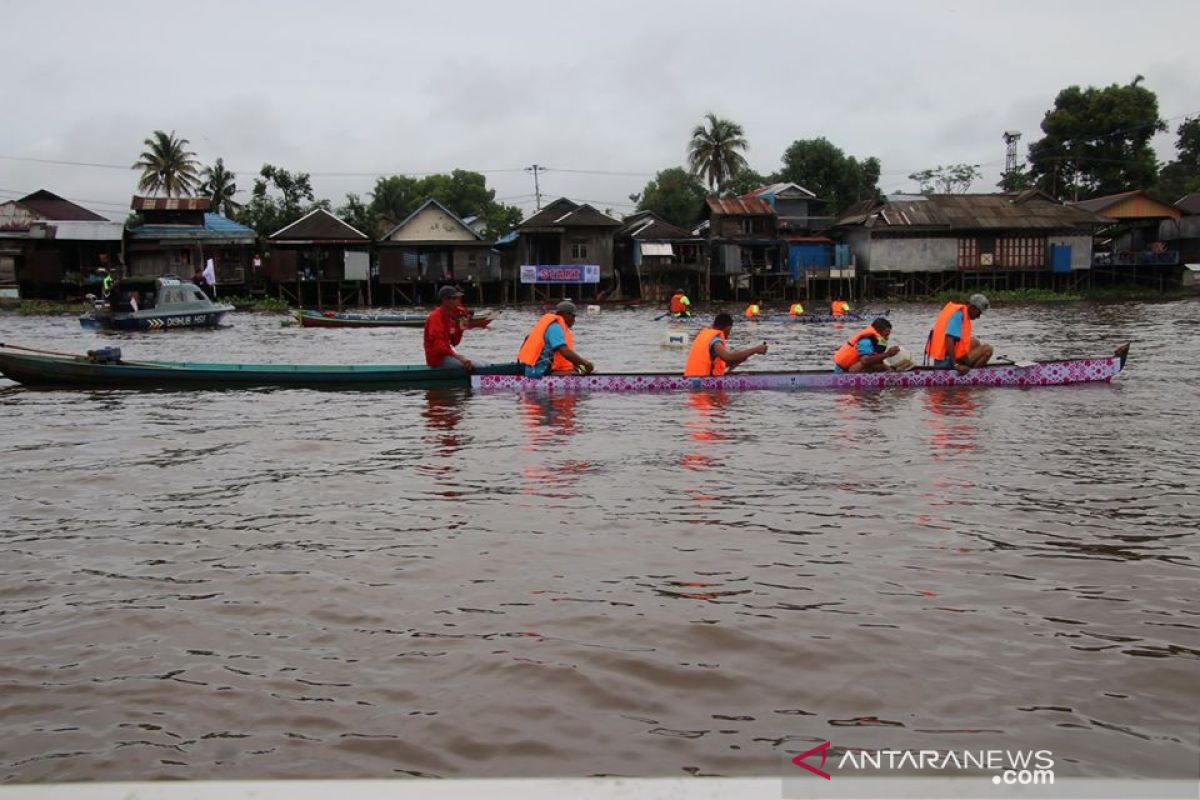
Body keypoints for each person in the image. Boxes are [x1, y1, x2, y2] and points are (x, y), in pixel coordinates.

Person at [517, 300, 594, 377]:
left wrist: (577, 364)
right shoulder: (555, 327)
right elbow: (565, 352)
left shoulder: (552, 325)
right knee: (577, 373)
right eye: (572, 315)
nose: (574, 319)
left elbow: (526, 339)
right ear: (562, 314)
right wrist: (585, 363)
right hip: (539, 371)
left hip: (533, 368)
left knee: (576, 370)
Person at [925, 293, 993, 374]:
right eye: (978, 313)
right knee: (988, 349)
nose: (978, 317)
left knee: (975, 342)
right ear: (972, 307)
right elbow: (949, 338)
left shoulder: (959, 311)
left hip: (944, 358)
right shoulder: (959, 314)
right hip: (946, 362)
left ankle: (967, 367)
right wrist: (956, 365)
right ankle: (971, 373)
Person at [684, 312, 769, 377]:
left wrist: (742, 358)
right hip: (702, 383)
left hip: (693, 378)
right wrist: (755, 349)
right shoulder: (715, 340)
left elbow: (725, 362)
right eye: (730, 330)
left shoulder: (704, 335)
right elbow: (728, 357)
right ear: (727, 328)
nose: (729, 333)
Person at [423, 285, 474, 371]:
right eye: (454, 298)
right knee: (477, 366)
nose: (458, 301)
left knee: (484, 363)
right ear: (445, 300)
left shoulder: (449, 317)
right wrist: (459, 357)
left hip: (448, 356)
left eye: (458, 298)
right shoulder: (435, 317)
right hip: (438, 360)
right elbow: (439, 346)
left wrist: (460, 330)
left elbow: (454, 342)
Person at [832, 317, 899, 373]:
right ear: (878, 331)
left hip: (852, 367)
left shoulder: (875, 340)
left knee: (878, 361)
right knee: (869, 362)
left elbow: (877, 359)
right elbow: (865, 361)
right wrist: (887, 354)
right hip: (843, 371)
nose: (887, 338)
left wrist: (888, 368)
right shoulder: (865, 341)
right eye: (886, 335)